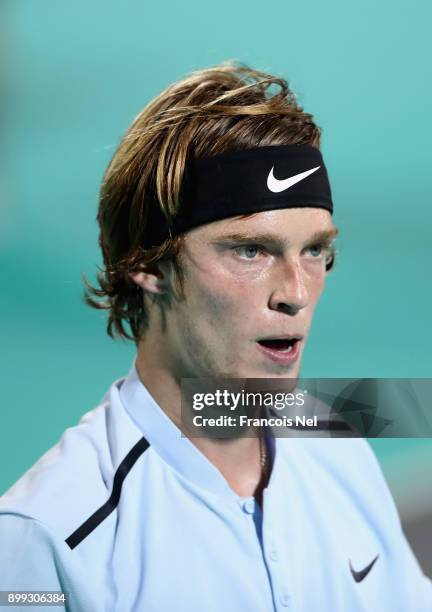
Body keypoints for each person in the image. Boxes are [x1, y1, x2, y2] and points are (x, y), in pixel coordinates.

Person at [0, 62, 431, 612]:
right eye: (250, 250)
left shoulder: (332, 441)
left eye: (315, 250)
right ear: (148, 265)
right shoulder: (45, 540)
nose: (295, 292)